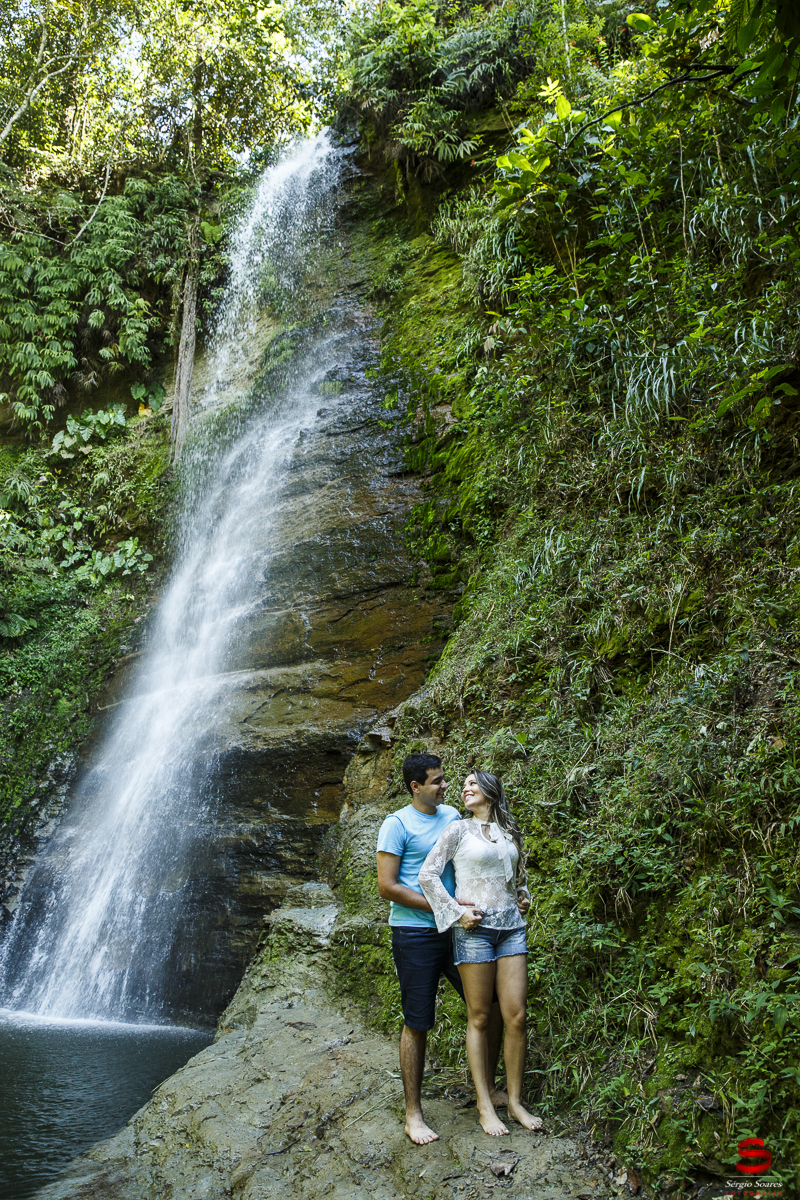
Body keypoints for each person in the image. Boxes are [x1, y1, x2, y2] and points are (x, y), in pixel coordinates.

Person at [376, 752, 507, 1145]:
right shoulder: (396, 824)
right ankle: (413, 1114)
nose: (445, 786)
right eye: (436, 781)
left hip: (459, 931)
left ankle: (486, 1089)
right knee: (418, 1021)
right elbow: (388, 887)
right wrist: (447, 907)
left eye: (445, 779)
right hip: (414, 934)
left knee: (490, 1008)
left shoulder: (453, 817)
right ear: (416, 787)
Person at [419, 769, 543, 1137]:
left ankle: (516, 1102)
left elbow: (517, 877)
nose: (465, 789)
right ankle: (485, 1104)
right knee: (480, 1017)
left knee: (516, 1017)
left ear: (490, 791)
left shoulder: (509, 830)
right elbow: (428, 875)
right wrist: (456, 911)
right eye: (463, 786)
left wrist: (523, 896)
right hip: (475, 932)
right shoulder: (458, 828)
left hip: (512, 931)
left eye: (472, 784)